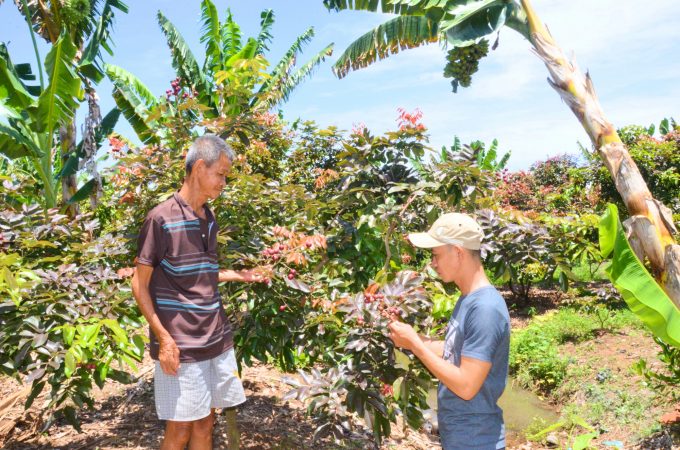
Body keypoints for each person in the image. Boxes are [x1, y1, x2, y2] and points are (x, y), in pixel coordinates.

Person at [131, 135, 269, 450]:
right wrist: (164, 340)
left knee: (206, 422)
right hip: (181, 345)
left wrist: (243, 276)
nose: (224, 182)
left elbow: (199, 273)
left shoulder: (208, 217)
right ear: (199, 168)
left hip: (216, 339)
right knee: (179, 431)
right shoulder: (161, 218)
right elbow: (139, 283)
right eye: (220, 174)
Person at [388, 213, 511, 450]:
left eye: (436, 255)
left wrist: (415, 345)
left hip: (475, 442)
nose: (433, 263)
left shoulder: (485, 308)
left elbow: (466, 386)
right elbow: (454, 349)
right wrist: (407, 337)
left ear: (458, 252)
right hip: (462, 438)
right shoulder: (468, 298)